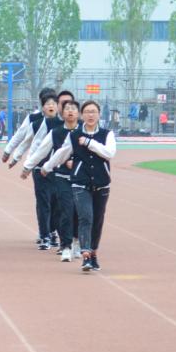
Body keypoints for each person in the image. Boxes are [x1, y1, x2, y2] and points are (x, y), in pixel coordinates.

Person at [42, 100, 116, 272]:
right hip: (80, 183)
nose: (90, 115)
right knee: (85, 217)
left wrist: (89, 143)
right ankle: (86, 255)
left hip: (102, 184)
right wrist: (47, 166)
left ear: (99, 115)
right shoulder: (75, 135)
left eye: (93, 112)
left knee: (97, 220)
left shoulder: (107, 134)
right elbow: (62, 152)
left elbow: (109, 153)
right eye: (87, 112)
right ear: (82, 115)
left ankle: (94, 252)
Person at [23, 99, 82, 262]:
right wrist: (29, 166)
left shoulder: (83, 131)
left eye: (73, 109)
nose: (70, 111)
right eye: (67, 108)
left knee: (79, 213)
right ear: (62, 113)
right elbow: (42, 151)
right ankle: (66, 246)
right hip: (61, 177)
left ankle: (77, 240)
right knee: (65, 211)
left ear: (78, 113)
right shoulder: (55, 132)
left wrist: (76, 162)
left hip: (81, 178)